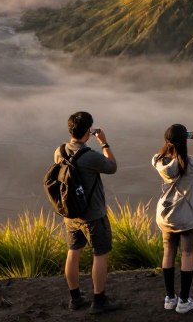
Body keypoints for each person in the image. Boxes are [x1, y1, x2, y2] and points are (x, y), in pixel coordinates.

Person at [55, 111, 121, 314]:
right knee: (100, 254)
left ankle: (75, 298)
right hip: (93, 214)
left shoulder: (59, 151)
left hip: (71, 213)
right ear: (88, 132)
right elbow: (112, 167)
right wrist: (104, 143)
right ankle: (99, 301)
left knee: (73, 252)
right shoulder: (90, 156)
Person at [152, 124, 193, 314]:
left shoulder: (157, 160)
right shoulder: (189, 161)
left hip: (166, 216)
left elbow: (160, 155)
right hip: (187, 216)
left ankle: (170, 298)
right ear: (184, 141)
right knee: (187, 254)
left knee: (168, 253)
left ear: (166, 141)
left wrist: (168, 146)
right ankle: (184, 301)